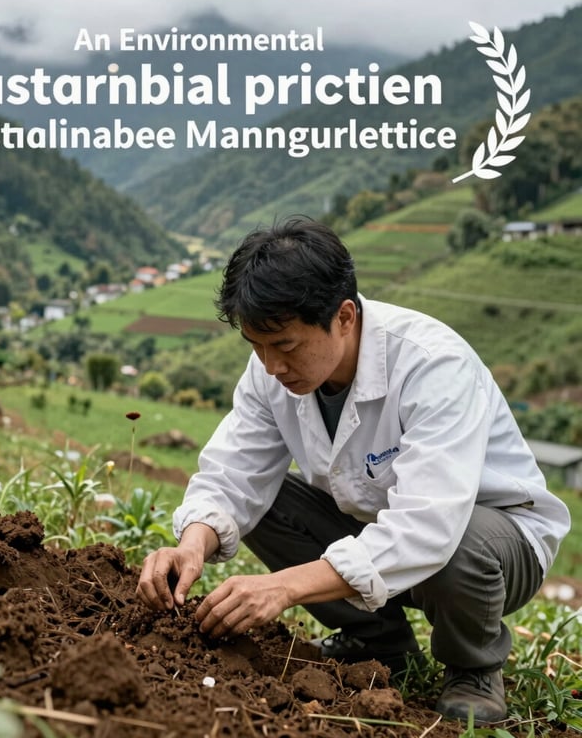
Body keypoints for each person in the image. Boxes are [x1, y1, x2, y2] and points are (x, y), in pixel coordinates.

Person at [136, 216, 570, 724]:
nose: (271, 365)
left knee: (460, 538)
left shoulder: (433, 365)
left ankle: (472, 668)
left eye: (286, 346)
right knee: (267, 502)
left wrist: (285, 586)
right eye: (257, 346)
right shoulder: (270, 371)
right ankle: (379, 643)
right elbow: (234, 471)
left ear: (344, 316)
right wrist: (193, 542)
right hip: (375, 526)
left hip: (496, 547)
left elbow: (429, 526)